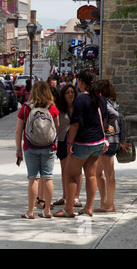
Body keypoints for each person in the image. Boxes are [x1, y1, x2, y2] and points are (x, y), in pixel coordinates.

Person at [54, 70, 107, 218]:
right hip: (97, 141)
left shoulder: (81, 99)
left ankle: (68, 209)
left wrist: (70, 143)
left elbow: (75, 124)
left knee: (71, 175)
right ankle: (88, 208)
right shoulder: (100, 98)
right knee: (90, 175)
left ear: (82, 82)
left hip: (83, 141)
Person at [16, 81, 59, 219]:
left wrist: (18, 150)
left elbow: (18, 131)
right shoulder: (52, 107)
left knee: (33, 178)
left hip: (30, 146)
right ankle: (47, 211)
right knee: (48, 178)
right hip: (48, 147)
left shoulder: (25, 108)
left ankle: (30, 212)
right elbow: (57, 126)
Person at [95, 79, 130, 213]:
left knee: (109, 174)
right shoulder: (114, 102)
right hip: (114, 139)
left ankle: (109, 204)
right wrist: (122, 138)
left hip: (108, 140)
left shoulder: (103, 101)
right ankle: (104, 202)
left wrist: (104, 126)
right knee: (98, 173)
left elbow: (115, 116)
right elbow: (121, 119)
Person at [53, 84, 83, 207]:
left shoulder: (79, 108)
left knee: (77, 171)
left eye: (72, 92)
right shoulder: (59, 109)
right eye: (67, 92)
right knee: (64, 170)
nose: (70, 94)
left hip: (76, 141)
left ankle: (76, 197)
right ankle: (65, 196)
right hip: (62, 141)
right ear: (63, 95)